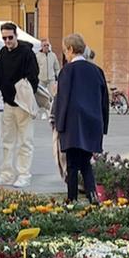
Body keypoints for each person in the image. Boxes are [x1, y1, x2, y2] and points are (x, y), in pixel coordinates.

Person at [52, 33, 109, 204]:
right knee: (85, 162)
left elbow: (63, 99)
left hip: (72, 123)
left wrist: (59, 125)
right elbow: (104, 100)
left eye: (65, 51)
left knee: (71, 164)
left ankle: (72, 199)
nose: (65, 55)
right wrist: (103, 125)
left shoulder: (67, 71)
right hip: (92, 123)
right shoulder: (97, 71)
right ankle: (93, 197)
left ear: (70, 49)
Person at [0, 21, 39, 187]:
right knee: (8, 141)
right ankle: (6, 174)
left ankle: (24, 174)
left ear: (16, 35)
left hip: (23, 104)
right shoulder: (3, 53)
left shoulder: (27, 53)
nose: (7, 41)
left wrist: (23, 93)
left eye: (10, 37)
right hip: (8, 104)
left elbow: (33, 76)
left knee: (25, 141)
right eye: (4, 38)